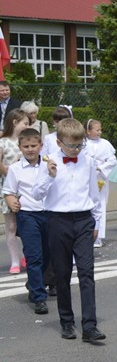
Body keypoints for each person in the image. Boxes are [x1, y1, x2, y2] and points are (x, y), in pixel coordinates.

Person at [31, 118, 105, 343]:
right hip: (57, 220)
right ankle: (66, 321)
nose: (75, 149)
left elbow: (95, 194)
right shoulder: (50, 162)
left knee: (87, 273)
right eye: (71, 146)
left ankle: (90, 326)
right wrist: (49, 177)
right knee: (62, 274)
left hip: (83, 219)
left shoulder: (89, 161)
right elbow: (36, 194)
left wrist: (97, 223)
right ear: (60, 142)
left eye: (79, 145)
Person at [3, 128, 49, 313]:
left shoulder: (49, 165)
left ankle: (33, 282)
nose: (30, 149)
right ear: (20, 147)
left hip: (49, 213)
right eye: (26, 146)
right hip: (28, 214)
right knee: (33, 255)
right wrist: (11, 201)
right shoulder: (15, 169)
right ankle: (39, 296)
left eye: (33, 145)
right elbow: (8, 191)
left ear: (41, 146)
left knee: (48, 255)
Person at [0, 110, 29, 274]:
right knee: (11, 226)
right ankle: (15, 260)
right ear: (15, 122)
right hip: (8, 188)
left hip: (25, 188)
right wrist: (9, 174)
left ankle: (27, 255)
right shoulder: (3, 142)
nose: (28, 126)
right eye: (25, 123)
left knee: (27, 225)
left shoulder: (26, 142)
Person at [84, 120, 116, 248]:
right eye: (96, 130)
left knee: (100, 204)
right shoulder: (84, 144)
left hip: (101, 177)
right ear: (88, 131)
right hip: (88, 176)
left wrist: (101, 167)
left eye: (100, 130)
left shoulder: (105, 143)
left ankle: (98, 236)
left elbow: (112, 160)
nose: (99, 132)